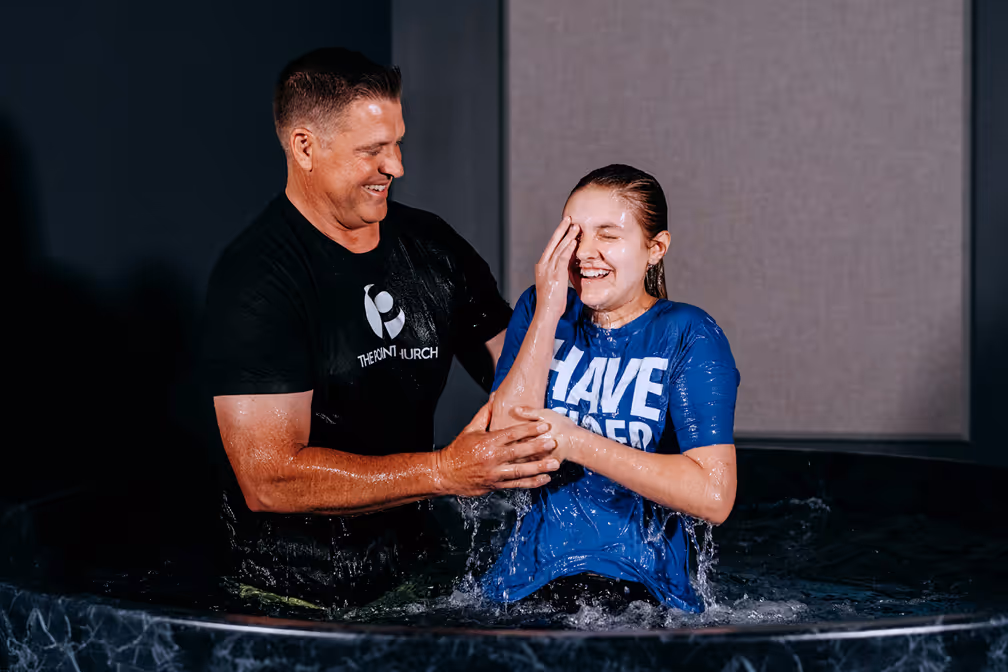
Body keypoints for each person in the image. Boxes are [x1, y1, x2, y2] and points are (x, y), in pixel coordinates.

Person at [202, 48, 561, 607]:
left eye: (396, 143)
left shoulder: (433, 246)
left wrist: (563, 308)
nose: (396, 166)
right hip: (290, 594)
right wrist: (444, 471)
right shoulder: (258, 279)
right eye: (373, 150)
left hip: (418, 568)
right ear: (305, 148)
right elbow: (268, 478)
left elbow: (525, 379)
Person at [481, 164, 740, 612]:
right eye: (574, 234)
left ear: (654, 249)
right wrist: (546, 310)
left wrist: (575, 442)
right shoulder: (540, 308)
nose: (584, 252)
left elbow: (714, 497)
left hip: (643, 592)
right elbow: (502, 446)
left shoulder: (689, 334)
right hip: (524, 586)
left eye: (608, 235)